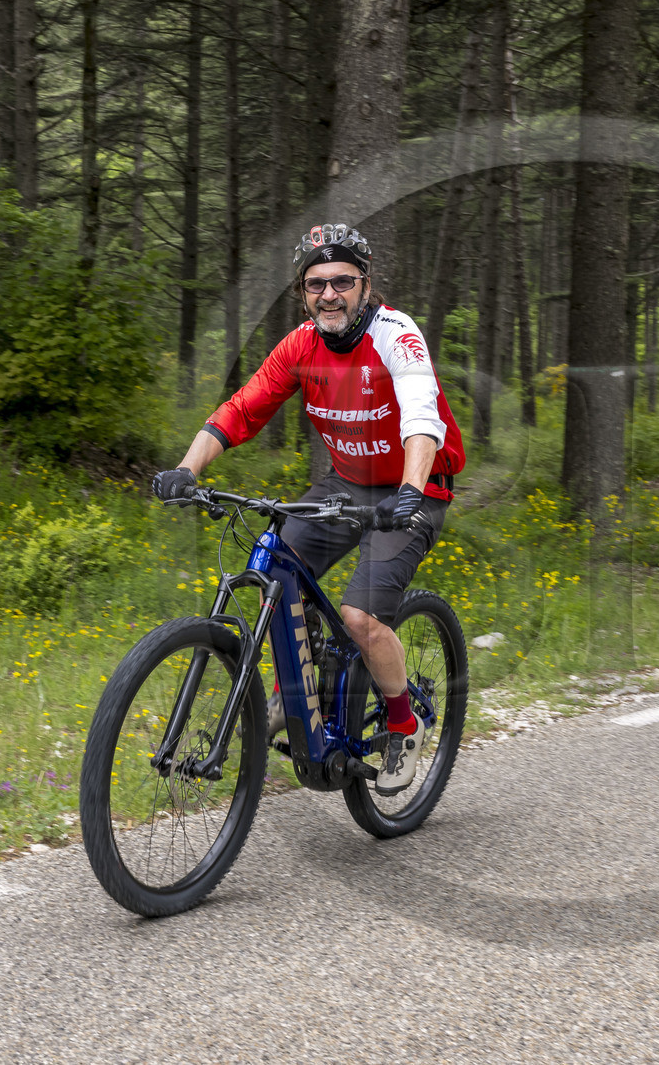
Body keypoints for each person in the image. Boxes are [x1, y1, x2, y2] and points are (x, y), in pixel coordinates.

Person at [150, 223, 465, 796]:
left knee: (361, 619)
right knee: (273, 563)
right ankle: (296, 691)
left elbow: (422, 416)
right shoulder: (299, 346)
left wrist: (410, 492)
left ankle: (403, 724)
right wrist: (186, 471)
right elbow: (241, 409)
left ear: (365, 283)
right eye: (316, 284)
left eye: (342, 281)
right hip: (348, 483)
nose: (329, 294)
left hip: (414, 488)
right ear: (302, 293)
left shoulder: (396, 335)